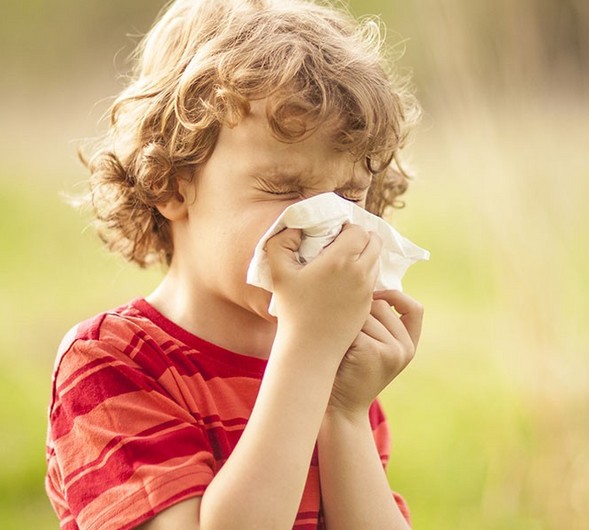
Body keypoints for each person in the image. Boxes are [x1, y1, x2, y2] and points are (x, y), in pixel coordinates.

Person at [45, 0, 423, 528]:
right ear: (171, 184)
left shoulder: (334, 369)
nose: (324, 222)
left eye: (350, 196)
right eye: (283, 188)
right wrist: (309, 351)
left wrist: (345, 414)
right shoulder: (111, 366)